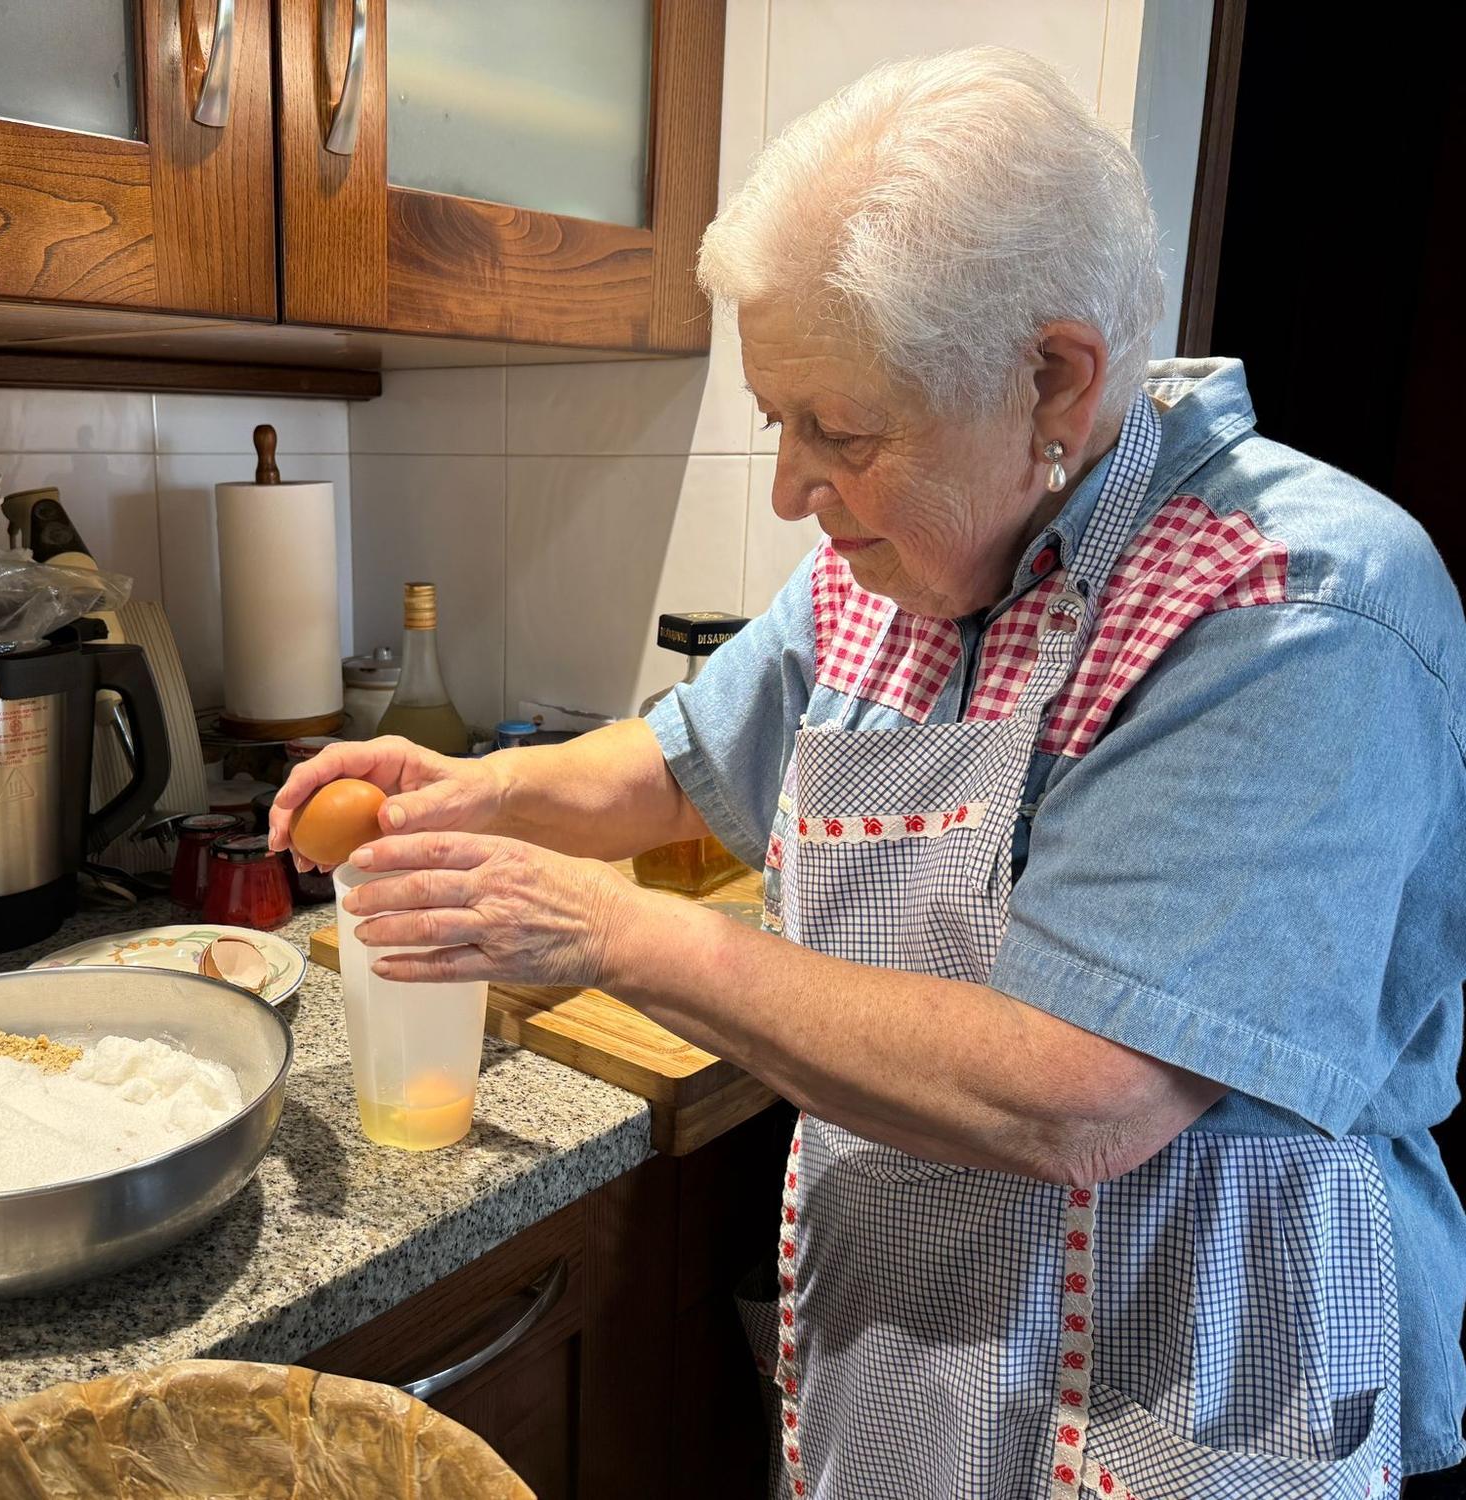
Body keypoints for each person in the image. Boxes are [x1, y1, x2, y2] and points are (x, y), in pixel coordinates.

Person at [270, 47, 1466, 1499]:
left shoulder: (1291, 605)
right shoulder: (895, 567)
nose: (789, 488)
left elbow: (1078, 1099)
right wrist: (466, 789)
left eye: (839, 432)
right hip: (921, 1335)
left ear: (1055, 380)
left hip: (1193, 1366)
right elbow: (666, 765)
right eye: (783, 419)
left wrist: (600, 929)